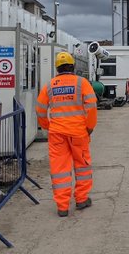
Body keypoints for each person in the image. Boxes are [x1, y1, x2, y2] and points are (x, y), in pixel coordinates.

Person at [35, 52, 98, 217]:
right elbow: (91, 106)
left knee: (59, 170)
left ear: (57, 68)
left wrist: (48, 126)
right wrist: (89, 127)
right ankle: (81, 199)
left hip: (57, 134)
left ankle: (62, 207)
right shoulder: (81, 82)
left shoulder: (50, 86)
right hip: (78, 132)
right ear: (72, 66)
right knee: (82, 166)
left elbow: (40, 110)